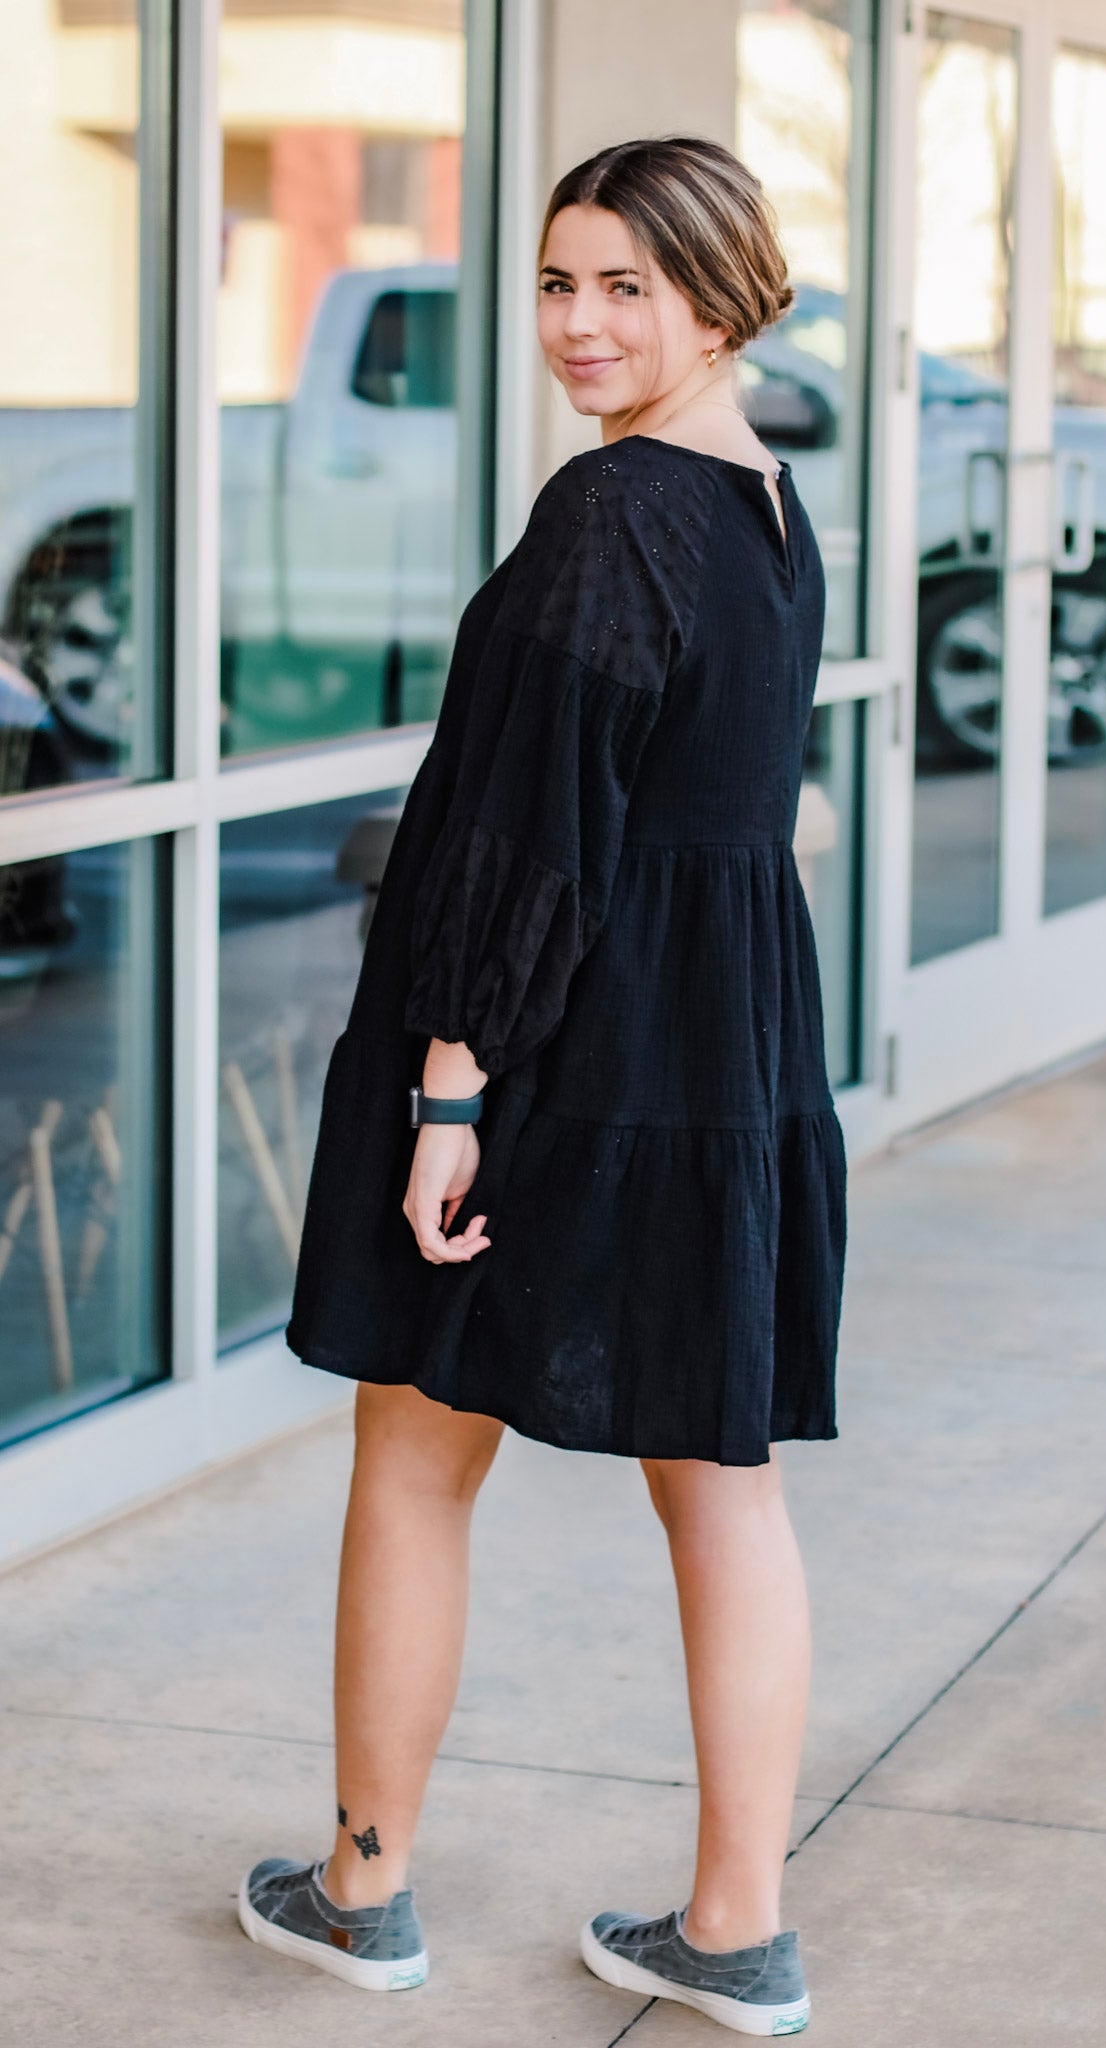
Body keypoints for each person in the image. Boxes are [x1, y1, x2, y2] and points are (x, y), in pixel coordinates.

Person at [236, 134, 847, 2039]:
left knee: (416, 1456)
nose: (579, 328)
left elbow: (535, 835)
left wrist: (446, 1091)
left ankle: (364, 1892)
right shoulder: (765, 508)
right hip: (721, 1046)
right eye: (560, 284)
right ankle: (737, 1928)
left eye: (626, 290)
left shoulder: (614, 517)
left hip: (561, 1051)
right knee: (718, 1485)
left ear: (723, 297)